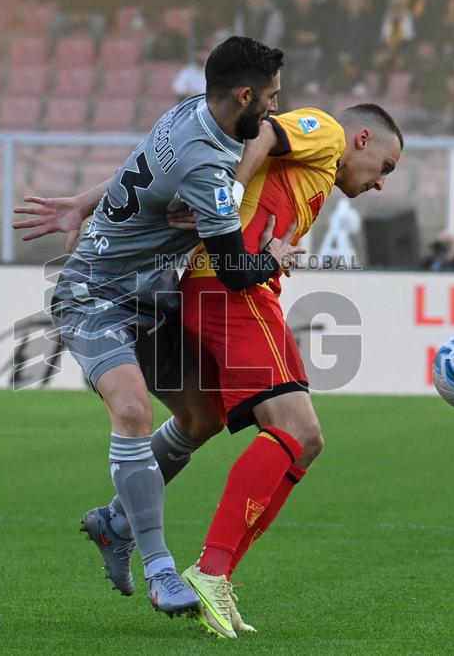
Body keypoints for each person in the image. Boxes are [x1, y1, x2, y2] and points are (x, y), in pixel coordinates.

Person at [13, 36, 301, 619]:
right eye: (270, 98)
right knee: (134, 412)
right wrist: (275, 255)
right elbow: (238, 273)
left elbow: (136, 168)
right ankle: (162, 572)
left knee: (202, 418)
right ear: (243, 95)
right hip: (91, 297)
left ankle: (115, 523)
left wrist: (83, 204)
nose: (273, 110)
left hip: (149, 299)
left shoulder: (190, 114)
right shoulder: (210, 167)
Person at [173, 103, 403, 638]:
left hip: (243, 289)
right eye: (385, 167)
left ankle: (218, 574)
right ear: (362, 138)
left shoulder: (315, 171)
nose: (380, 184)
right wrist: (227, 197)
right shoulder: (326, 131)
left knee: (308, 440)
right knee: (294, 431)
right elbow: (266, 133)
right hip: (233, 293)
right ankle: (210, 569)